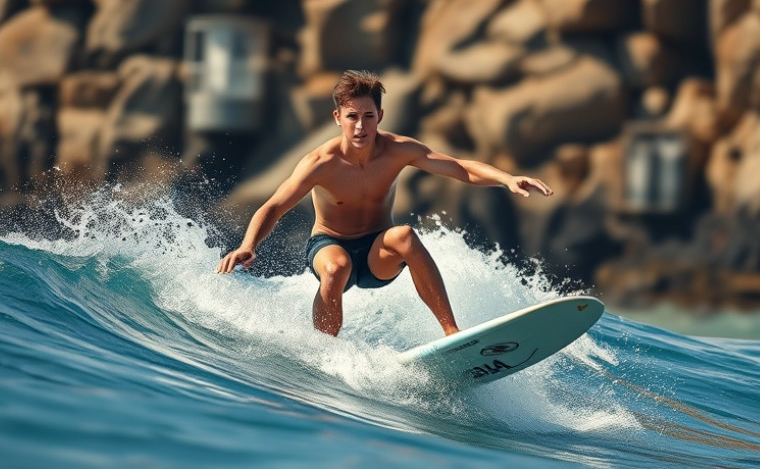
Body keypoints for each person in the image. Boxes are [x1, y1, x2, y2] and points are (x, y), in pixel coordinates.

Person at [216, 70, 553, 337]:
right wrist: (248, 245)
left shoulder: (398, 150)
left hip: (377, 254)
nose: (360, 126)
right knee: (336, 268)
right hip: (328, 245)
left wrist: (507, 179)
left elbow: (460, 168)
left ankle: (452, 332)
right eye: (352, 116)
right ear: (337, 117)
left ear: (380, 115)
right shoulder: (320, 163)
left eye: (368, 116)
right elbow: (274, 206)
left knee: (404, 235)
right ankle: (323, 350)